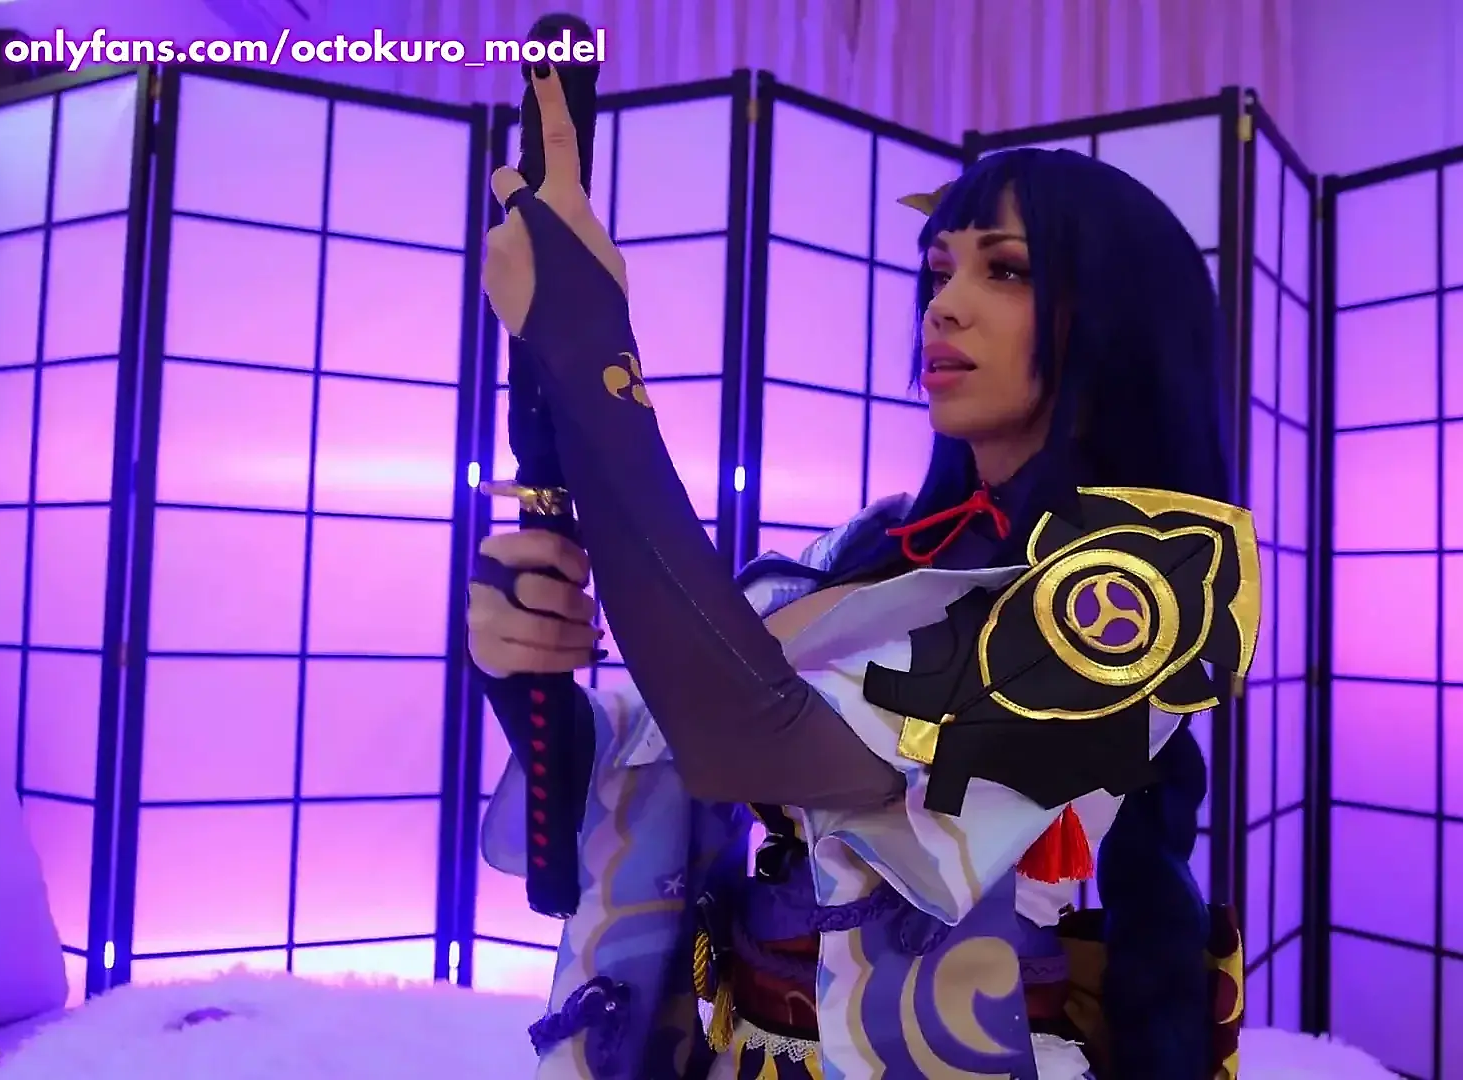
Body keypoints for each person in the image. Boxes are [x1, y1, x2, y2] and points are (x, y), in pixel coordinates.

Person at [472, 66, 1259, 1079]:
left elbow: (751, 739)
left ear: (1117, 315)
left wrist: (590, 354)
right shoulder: (874, 547)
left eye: (1005, 271)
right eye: (939, 271)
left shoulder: (1145, 592)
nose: (945, 307)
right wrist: (522, 673)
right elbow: (652, 754)